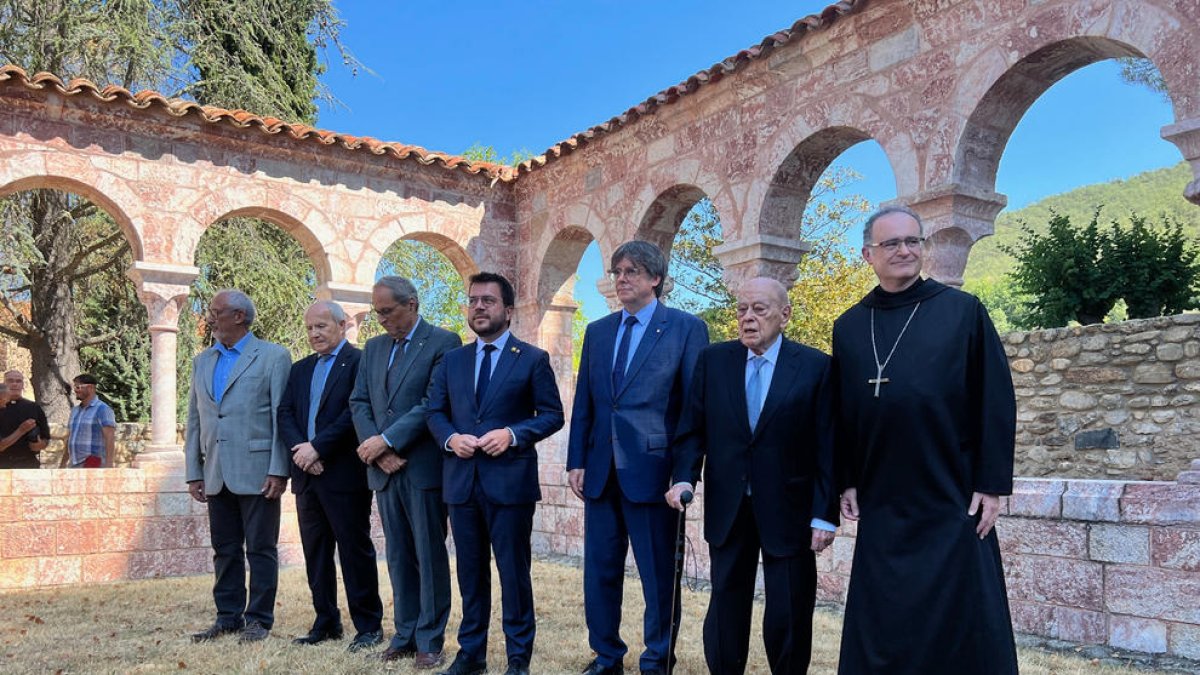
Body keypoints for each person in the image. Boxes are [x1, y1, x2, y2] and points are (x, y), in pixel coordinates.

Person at [832, 206, 1018, 674]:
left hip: (949, 490)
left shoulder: (962, 312)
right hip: (881, 495)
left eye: (913, 241)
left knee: (959, 614)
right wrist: (846, 478)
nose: (905, 250)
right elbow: (842, 413)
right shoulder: (849, 326)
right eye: (892, 243)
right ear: (867, 254)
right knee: (886, 614)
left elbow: (995, 399)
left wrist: (992, 482)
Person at [667, 277, 837, 674]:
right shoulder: (713, 360)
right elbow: (692, 430)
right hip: (729, 508)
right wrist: (683, 477)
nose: (747, 317)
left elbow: (828, 445)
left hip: (790, 509)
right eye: (742, 309)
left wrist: (824, 513)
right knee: (726, 604)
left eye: (759, 309)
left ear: (785, 314)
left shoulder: (816, 367)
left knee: (790, 610)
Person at [567, 240, 709, 675]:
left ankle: (657, 660)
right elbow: (587, 403)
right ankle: (607, 656)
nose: (622, 278)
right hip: (601, 473)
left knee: (658, 578)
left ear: (655, 278)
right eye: (617, 271)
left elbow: (693, 410)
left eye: (631, 271)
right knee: (600, 574)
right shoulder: (599, 331)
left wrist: (684, 474)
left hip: (655, 476)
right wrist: (576, 460)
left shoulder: (686, 328)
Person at [425, 273, 565, 675]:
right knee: (470, 573)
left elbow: (553, 415)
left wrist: (513, 433)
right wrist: (451, 439)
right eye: (473, 300)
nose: (479, 307)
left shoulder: (532, 359)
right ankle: (471, 654)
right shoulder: (453, 360)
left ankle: (518, 659)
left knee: (513, 574)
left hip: (510, 485)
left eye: (488, 300)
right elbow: (434, 412)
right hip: (461, 483)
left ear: (508, 309)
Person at [350, 275, 461, 668]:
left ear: (411, 304)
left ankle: (431, 639)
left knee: (429, 556)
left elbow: (433, 402)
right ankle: (405, 633)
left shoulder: (444, 342)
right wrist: (378, 451)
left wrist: (389, 441)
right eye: (377, 312)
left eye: (387, 311)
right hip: (385, 472)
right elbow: (359, 401)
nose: (380, 320)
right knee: (397, 555)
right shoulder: (374, 348)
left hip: (423, 469)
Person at [185, 289, 292, 644]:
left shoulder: (274, 357)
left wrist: (279, 469)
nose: (210, 316)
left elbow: (282, 417)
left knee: (261, 549)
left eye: (216, 311)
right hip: (215, 473)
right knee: (225, 550)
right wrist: (194, 471)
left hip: (260, 472)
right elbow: (195, 420)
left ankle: (259, 619)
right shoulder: (202, 361)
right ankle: (227, 616)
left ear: (240, 317)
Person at [277, 301, 384, 652]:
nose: (314, 334)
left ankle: (368, 626)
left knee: (354, 550)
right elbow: (286, 413)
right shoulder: (300, 368)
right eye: (309, 328)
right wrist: (301, 452)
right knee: (316, 552)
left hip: (343, 475)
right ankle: (326, 621)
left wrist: (318, 448)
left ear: (342, 324)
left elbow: (353, 414)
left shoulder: (359, 362)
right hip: (307, 475)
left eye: (321, 326)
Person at [58, 373, 116, 468]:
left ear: (90, 388)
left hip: (94, 465)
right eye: (74, 387)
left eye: (78, 387)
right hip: (74, 465)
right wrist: (63, 463)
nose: (75, 390)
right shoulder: (75, 411)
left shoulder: (103, 409)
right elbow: (71, 439)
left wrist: (109, 464)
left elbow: (110, 437)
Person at [0, 370, 49, 469]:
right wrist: (22, 430)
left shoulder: (34, 408)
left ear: (23, 385)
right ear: (4, 384)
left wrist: (38, 445)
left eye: (18, 381)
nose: (15, 384)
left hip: (27, 463)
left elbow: (45, 439)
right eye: (10, 380)